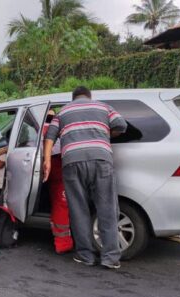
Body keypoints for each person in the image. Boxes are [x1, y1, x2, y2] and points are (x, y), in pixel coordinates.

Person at [42, 86, 127, 269]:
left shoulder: (63, 112)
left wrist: (47, 161)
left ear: (73, 98)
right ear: (89, 97)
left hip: (72, 162)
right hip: (101, 160)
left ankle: (85, 256)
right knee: (107, 209)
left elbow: (50, 136)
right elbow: (121, 125)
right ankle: (110, 258)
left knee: (78, 210)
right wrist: (104, 133)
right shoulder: (103, 107)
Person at [43, 109, 74, 254]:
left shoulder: (40, 128)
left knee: (57, 201)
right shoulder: (60, 126)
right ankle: (63, 243)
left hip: (53, 164)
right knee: (61, 203)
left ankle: (59, 238)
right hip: (59, 163)